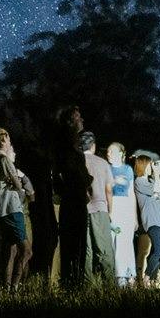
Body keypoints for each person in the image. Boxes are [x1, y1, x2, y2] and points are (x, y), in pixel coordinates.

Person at [0, 127, 36, 291]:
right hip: (12, 209)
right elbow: (18, 184)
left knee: (10, 251)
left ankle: (6, 287)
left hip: (1, 211)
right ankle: (15, 288)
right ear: (3, 141)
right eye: (9, 140)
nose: (10, 143)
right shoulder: (5, 160)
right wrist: (21, 190)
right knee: (27, 251)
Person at [53, 105, 90, 288]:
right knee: (73, 242)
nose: (81, 119)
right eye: (77, 117)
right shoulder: (66, 146)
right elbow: (66, 170)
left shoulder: (74, 147)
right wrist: (83, 180)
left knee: (77, 242)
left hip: (76, 198)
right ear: (69, 122)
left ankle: (75, 281)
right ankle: (71, 282)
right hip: (73, 199)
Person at [78, 132, 115, 288]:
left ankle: (88, 285)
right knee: (104, 249)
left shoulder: (77, 162)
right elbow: (108, 190)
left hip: (81, 209)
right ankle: (109, 284)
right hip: (99, 208)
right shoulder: (102, 163)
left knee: (86, 249)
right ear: (93, 146)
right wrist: (110, 211)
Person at [131, 152, 160, 284]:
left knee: (158, 252)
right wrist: (157, 174)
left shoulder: (151, 180)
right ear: (143, 165)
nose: (151, 167)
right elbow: (156, 190)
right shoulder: (139, 181)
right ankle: (146, 278)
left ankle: (152, 281)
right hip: (151, 221)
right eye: (149, 164)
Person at [106, 142, 137, 284]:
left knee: (125, 241)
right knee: (114, 241)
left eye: (111, 151)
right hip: (112, 206)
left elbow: (131, 193)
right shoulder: (106, 168)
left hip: (125, 207)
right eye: (107, 152)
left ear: (120, 154)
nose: (108, 154)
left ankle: (128, 274)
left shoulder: (128, 170)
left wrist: (135, 217)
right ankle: (117, 276)